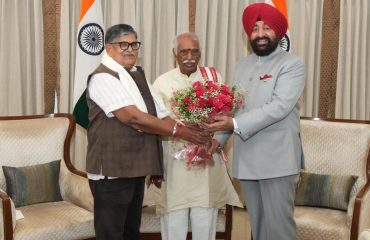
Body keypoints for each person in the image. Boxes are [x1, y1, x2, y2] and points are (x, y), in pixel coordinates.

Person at [85, 24, 211, 240]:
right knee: (111, 235)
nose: (130, 49)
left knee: (131, 233)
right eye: (123, 44)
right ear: (108, 48)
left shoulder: (136, 75)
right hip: (112, 173)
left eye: (134, 44)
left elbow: (160, 113)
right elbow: (132, 117)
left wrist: (193, 131)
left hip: (135, 169)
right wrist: (180, 131)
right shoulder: (102, 77)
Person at [204, 3, 306, 240]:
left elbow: (279, 107)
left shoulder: (292, 64)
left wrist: (233, 125)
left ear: (278, 32)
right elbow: (234, 107)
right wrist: (218, 140)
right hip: (247, 159)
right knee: (258, 229)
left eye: (267, 28)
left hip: (277, 160)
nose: (260, 34)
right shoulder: (242, 65)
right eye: (255, 29)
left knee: (279, 231)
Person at [151, 32, 243, 240]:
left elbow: (226, 117)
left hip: (206, 161)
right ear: (175, 54)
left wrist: (216, 140)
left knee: (205, 219)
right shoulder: (162, 82)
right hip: (174, 164)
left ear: (200, 53)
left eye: (194, 51)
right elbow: (155, 124)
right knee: (174, 222)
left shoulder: (213, 77)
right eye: (184, 51)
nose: (189, 56)